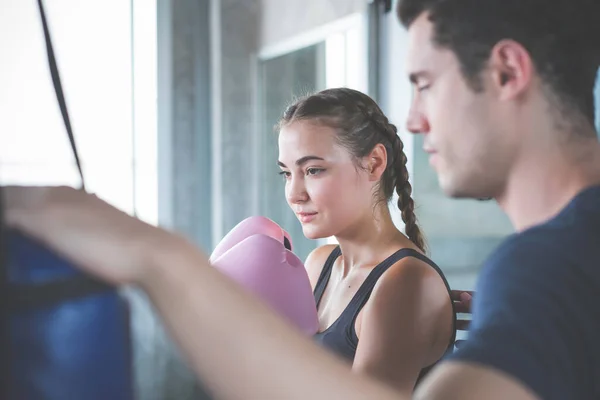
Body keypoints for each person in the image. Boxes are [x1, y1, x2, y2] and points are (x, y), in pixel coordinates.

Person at [3, 0, 600, 398]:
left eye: (424, 83)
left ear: (506, 72)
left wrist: (159, 258)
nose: (414, 120)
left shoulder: (543, 267)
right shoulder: (553, 267)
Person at [276, 88, 455, 391]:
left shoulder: (405, 281)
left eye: (313, 170)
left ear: (373, 163)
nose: (294, 194)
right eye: (286, 174)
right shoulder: (320, 263)